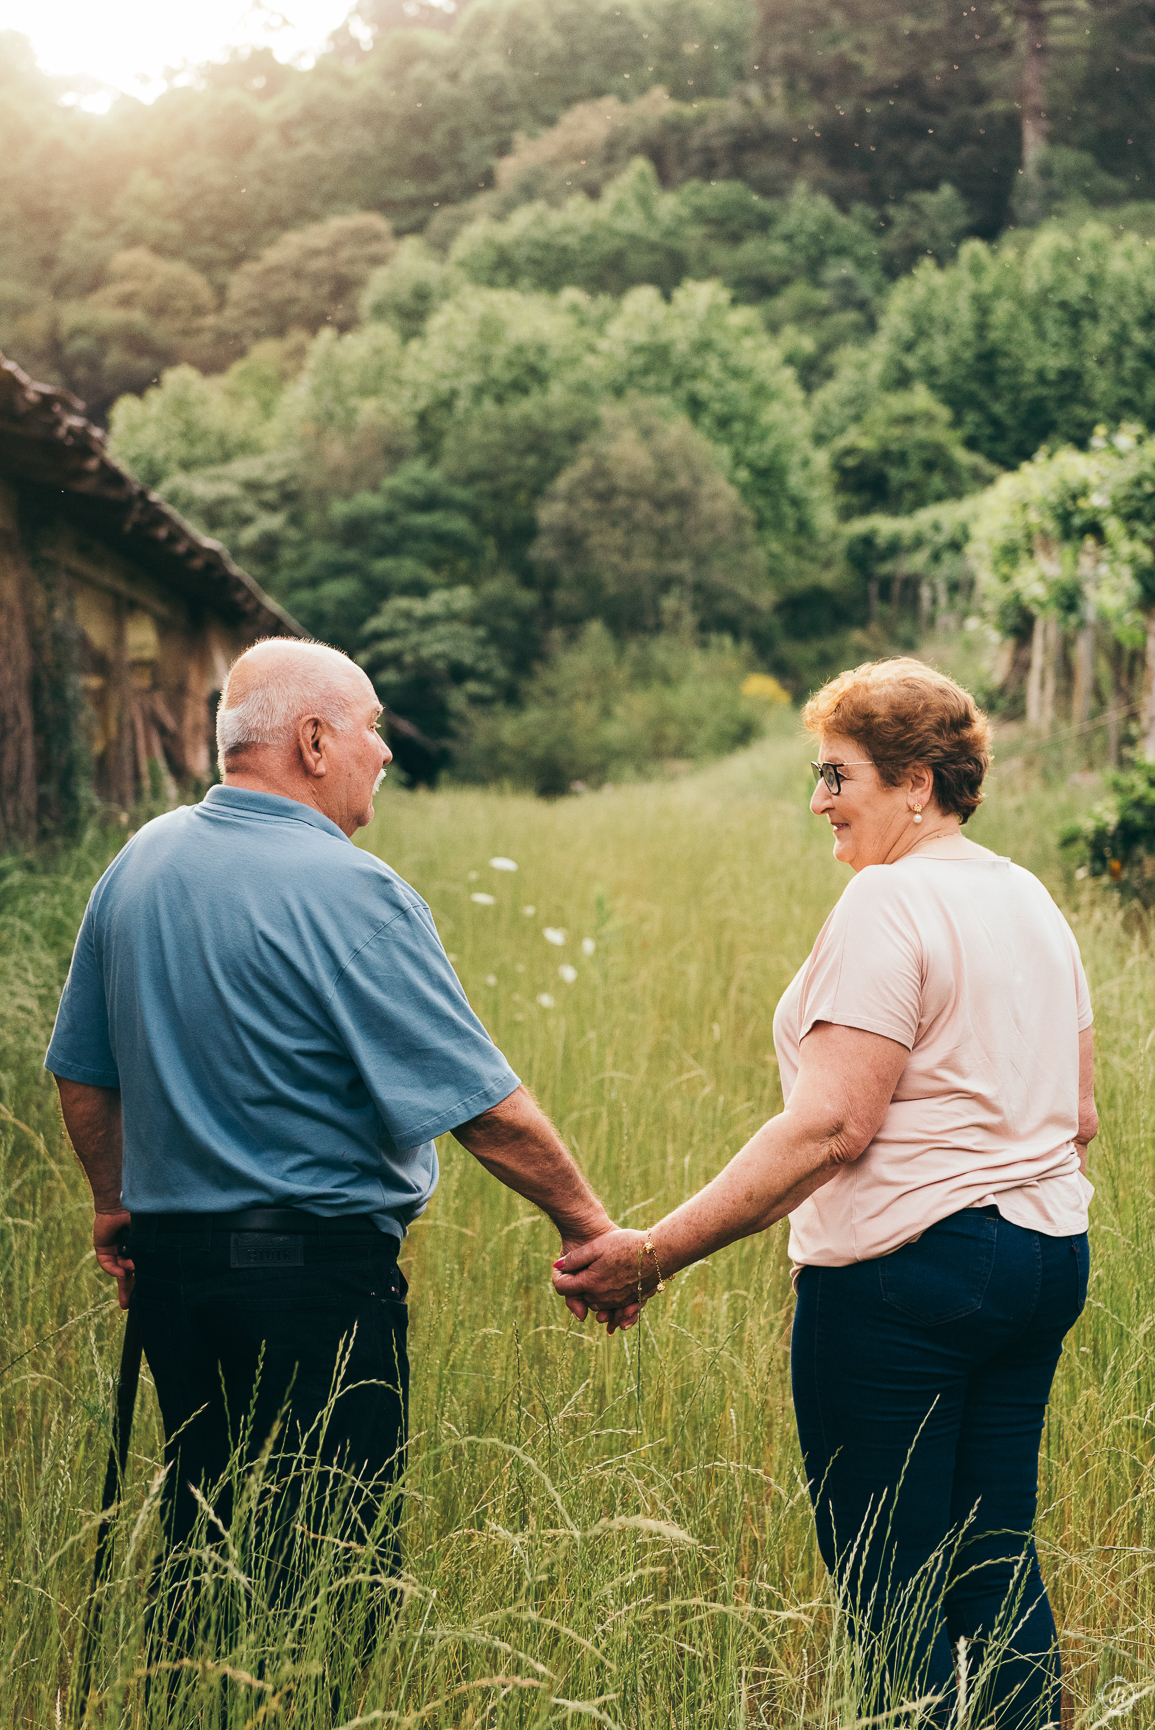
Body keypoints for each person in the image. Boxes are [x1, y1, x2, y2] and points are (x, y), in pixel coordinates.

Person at [554, 657, 1096, 1729]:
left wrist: (652, 1249)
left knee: (894, 1598)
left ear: (918, 784)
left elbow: (832, 1124)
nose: (819, 800)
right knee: (994, 1559)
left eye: (838, 774)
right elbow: (1078, 1115)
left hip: (910, 1283)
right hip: (1043, 1257)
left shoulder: (888, 897)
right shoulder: (1028, 895)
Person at [47, 638, 612, 1644]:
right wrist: (591, 1229)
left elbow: (82, 1072)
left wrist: (113, 1202)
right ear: (313, 741)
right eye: (372, 727)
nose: (384, 754)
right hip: (310, 1286)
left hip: (171, 1277)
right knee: (330, 1575)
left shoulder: (138, 861)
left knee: (202, 1532)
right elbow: (485, 1108)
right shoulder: (352, 891)